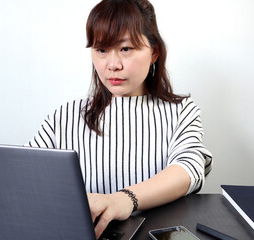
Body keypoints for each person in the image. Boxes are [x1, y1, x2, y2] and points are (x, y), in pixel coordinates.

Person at [27, 0, 212, 238]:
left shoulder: (180, 112)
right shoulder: (65, 116)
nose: (112, 65)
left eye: (126, 49)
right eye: (101, 50)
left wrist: (125, 199)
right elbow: (25, 178)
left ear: (154, 52)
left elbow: (189, 169)